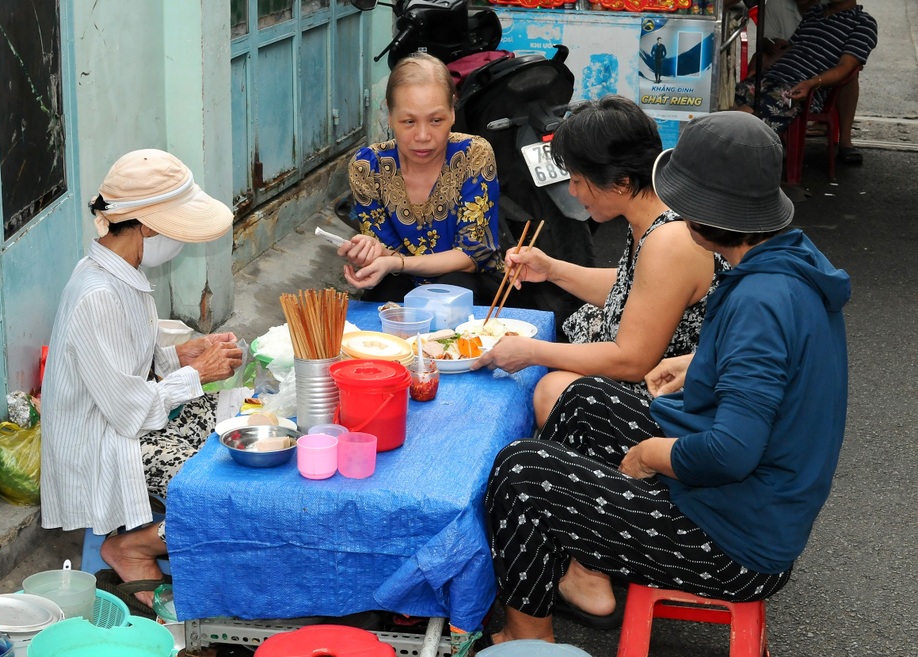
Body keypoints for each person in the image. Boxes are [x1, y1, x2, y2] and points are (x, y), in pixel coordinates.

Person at [484, 111, 850, 644]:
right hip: (747, 501)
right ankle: (579, 570)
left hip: (733, 540)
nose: (673, 208)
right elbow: (778, 374)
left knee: (521, 472)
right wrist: (701, 361)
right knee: (583, 401)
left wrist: (651, 454)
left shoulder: (760, 301)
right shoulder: (786, 261)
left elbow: (732, 452)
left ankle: (527, 637)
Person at [41, 149, 243, 611]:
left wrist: (179, 357)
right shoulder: (97, 294)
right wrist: (195, 373)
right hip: (105, 440)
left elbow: (127, 367)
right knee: (219, 489)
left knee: (236, 424)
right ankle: (133, 546)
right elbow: (130, 410)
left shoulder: (122, 273)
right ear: (148, 226)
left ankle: (158, 540)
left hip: (123, 418)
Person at [471, 96, 724, 428]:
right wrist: (552, 270)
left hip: (674, 393)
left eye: (577, 180)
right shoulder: (651, 217)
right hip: (656, 369)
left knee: (553, 391)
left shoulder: (669, 240)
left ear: (620, 182)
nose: (573, 191)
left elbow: (632, 361)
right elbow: (634, 290)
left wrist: (532, 351)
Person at [340, 52, 504, 305]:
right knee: (383, 302)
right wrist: (367, 253)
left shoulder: (474, 154)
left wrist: (398, 262)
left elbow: (470, 256)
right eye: (409, 121)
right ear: (389, 114)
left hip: (469, 281)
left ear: (452, 110)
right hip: (399, 277)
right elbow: (385, 252)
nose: (423, 135)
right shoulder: (367, 167)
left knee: (452, 290)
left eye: (436, 120)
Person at [733, 0, 877, 163]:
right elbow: (791, 47)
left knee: (748, 116)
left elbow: (846, 67)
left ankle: (739, 163)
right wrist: (762, 68)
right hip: (771, 77)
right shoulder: (815, 12)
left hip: (799, 86)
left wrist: (812, 83)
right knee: (727, 102)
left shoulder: (863, 23)